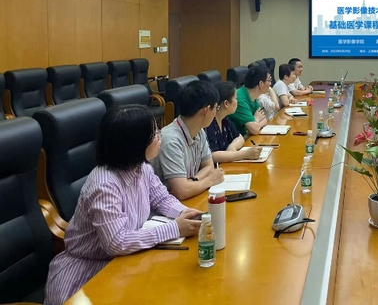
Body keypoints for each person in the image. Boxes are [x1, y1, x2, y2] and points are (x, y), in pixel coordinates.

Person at [44, 105, 203, 305]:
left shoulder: (141, 168)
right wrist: (175, 228)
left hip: (126, 260)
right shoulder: (104, 185)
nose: (159, 136)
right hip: (86, 274)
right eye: (154, 133)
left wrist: (187, 213)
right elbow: (116, 242)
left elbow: (161, 198)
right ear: (134, 144)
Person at [152, 81, 224, 200]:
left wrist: (192, 181)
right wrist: (210, 180)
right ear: (206, 110)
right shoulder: (171, 140)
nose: (216, 112)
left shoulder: (199, 131)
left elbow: (209, 166)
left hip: (188, 198)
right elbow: (182, 192)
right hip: (164, 206)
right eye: (216, 108)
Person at [206, 81, 261, 162]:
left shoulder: (225, 119)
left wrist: (232, 146)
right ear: (226, 103)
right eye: (235, 98)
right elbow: (213, 156)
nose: (237, 101)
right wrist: (245, 154)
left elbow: (240, 137)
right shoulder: (209, 123)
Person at [228, 65, 269, 136]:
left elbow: (264, 119)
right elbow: (254, 129)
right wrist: (256, 119)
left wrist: (256, 124)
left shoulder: (252, 96)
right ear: (261, 83)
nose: (270, 84)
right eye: (269, 80)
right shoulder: (239, 99)